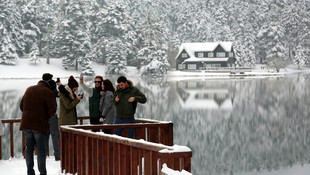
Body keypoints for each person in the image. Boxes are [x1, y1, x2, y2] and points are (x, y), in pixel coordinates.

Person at [20, 80, 57, 175]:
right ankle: (42, 172)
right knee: (41, 150)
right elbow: (53, 110)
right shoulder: (48, 92)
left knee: (29, 149)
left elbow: (21, 106)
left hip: (26, 124)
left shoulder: (29, 89)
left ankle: (30, 172)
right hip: (39, 125)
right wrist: (45, 117)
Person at [42, 73, 60, 161]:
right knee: (55, 135)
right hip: (52, 114)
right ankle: (57, 155)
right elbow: (58, 95)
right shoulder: (51, 89)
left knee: (45, 136)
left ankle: (44, 155)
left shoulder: (41, 88)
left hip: (43, 115)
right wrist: (56, 87)